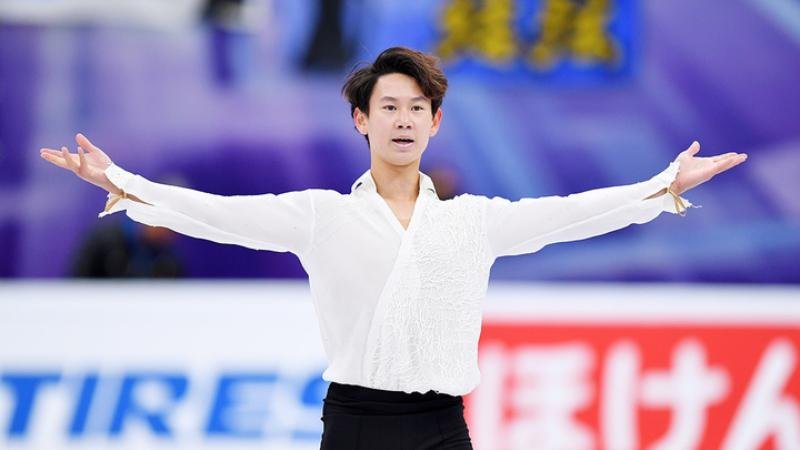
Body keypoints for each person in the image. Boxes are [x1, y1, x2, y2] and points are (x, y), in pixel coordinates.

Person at [40, 47, 747, 449]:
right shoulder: (320, 216)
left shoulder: (474, 222)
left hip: (442, 427)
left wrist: (662, 187)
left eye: (417, 108)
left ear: (435, 123)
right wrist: (122, 183)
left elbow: (569, 216)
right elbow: (219, 216)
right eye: (388, 107)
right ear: (361, 120)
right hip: (356, 424)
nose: (403, 120)